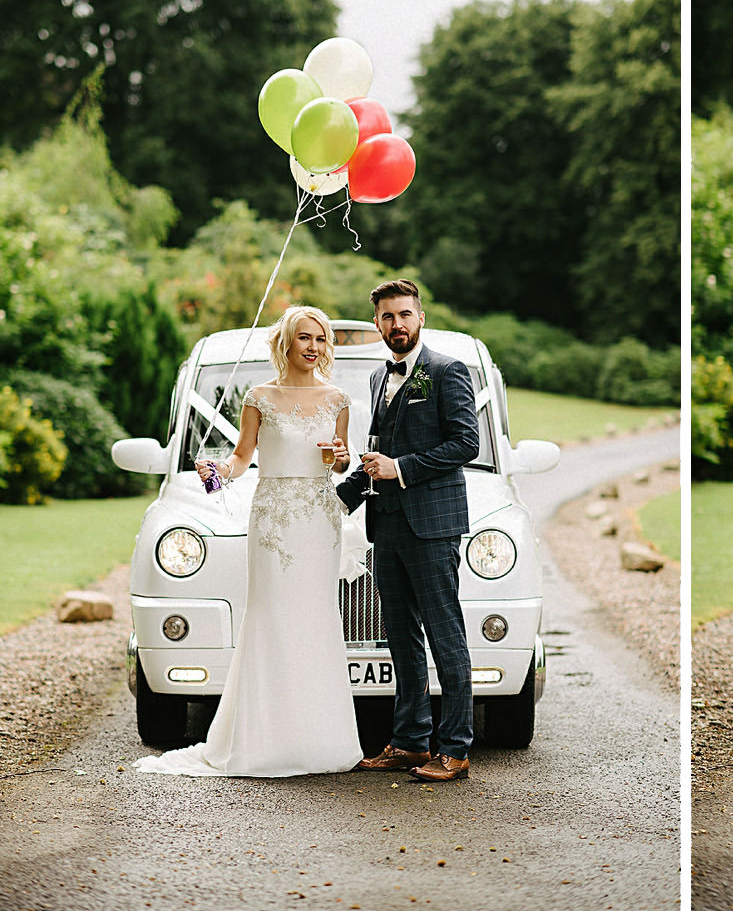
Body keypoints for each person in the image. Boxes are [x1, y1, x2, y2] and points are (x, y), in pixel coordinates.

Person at [136, 305, 362, 777]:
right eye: (304, 338)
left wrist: (341, 459)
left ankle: (320, 740)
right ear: (286, 343)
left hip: (320, 518)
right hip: (274, 519)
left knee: (317, 617)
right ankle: (262, 740)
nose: (313, 347)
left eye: (320, 339)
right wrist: (216, 472)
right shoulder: (259, 396)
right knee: (272, 616)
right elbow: (241, 459)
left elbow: (340, 466)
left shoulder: (338, 400)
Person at [337, 278, 481, 784]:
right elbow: (376, 454)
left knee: (446, 637)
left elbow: (466, 444)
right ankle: (408, 741)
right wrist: (334, 502)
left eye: (404, 315)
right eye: (386, 317)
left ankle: (456, 749)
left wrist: (401, 468)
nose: (396, 325)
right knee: (400, 639)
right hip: (387, 527)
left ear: (420, 316)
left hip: (432, 526)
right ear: (377, 322)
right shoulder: (379, 377)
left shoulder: (446, 370)